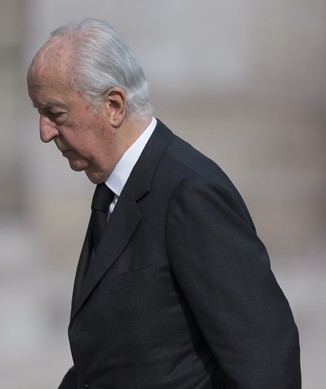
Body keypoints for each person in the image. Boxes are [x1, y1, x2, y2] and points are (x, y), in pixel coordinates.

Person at [27, 18, 301, 388]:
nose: (45, 132)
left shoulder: (190, 193)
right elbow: (119, 360)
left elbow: (265, 357)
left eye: (54, 113)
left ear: (113, 105)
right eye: (39, 114)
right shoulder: (113, 195)